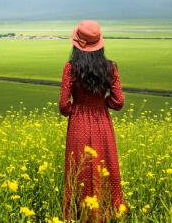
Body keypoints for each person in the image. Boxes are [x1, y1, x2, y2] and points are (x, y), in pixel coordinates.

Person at [59, 20, 128, 222]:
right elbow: (119, 101)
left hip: (78, 123)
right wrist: (103, 103)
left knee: (78, 169)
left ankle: (78, 215)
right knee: (105, 166)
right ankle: (106, 213)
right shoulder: (110, 67)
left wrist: (76, 109)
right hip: (102, 124)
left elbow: (64, 105)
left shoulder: (70, 68)